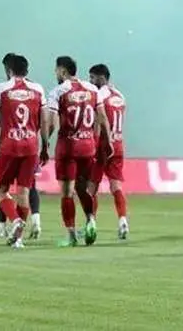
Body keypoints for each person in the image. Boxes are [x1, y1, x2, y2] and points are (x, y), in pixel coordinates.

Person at [0, 53, 47, 249]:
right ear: (27, 70)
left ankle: (15, 220)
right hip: (31, 146)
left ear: (9, 70)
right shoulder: (38, 89)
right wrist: (45, 144)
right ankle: (18, 239)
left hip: (9, 146)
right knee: (23, 191)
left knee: (1, 191)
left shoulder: (1, 89)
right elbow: (44, 120)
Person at [43, 55, 109, 247]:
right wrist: (108, 141)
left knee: (67, 192)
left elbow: (52, 122)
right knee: (83, 189)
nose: (55, 74)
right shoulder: (92, 89)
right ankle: (91, 221)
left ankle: (71, 235)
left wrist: (44, 143)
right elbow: (102, 118)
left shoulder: (57, 92)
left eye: (56, 70)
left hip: (68, 147)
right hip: (88, 146)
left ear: (62, 71)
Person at [86, 63, 129, 240]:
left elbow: (98, 121)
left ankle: (91, 224)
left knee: (91, 188)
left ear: (101, 78)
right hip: (118, 143)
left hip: (102, 145)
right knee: (116, 186)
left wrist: (94, 144)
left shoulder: (98, 95)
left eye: (92, 78)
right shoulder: (120, 95)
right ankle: (123, 220)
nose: (90, 81)